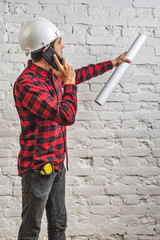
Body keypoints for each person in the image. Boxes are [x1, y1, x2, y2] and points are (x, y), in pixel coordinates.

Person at [13, 17, 131, 240]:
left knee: (58, 227)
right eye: (59, 42)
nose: (63, 46)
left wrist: (113, 63)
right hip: (38, 168)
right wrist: (68, 83)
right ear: (47, 49)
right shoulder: (28, 84)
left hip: (57, 163)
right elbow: (65, 115)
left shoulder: (53, 74)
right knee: (31, 230)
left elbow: (81, 74)